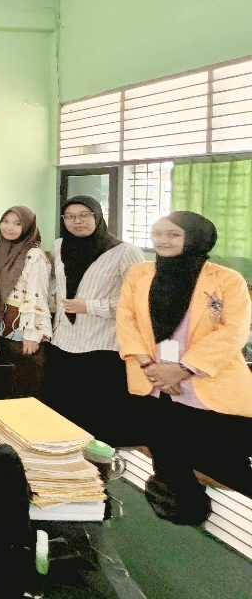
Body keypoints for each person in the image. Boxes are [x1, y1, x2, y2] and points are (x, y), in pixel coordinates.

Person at [117, 212, 252, 502]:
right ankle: (177, 518)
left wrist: (183, 369)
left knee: (226, 469)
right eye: (157, 234)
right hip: (155, 386)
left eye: (173, 234)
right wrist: (149, 366)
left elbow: (234, 331)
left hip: (209, 389)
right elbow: (126, 320)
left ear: (194, 238)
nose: (163, 240)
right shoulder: (139, 274)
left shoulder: (227, 279)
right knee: (167, 465)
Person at [44, 196, 144, 443]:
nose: (77, 221)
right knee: (63, 413)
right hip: (63, 342)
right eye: (70, 217)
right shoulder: (60, 245)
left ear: (97, 216)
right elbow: (57, 279)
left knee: (99, 418)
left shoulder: (124, 252)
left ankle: (101, 462)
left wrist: (90, 306)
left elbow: (137, 301)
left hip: (101, 347)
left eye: (84, 215)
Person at [0, 206, 51, 399]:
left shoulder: (34, 254)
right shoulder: (4, 249)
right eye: (5, 221)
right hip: (5, 325)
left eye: (17, 223)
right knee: (7, 380)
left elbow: (37, 295)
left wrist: (32, 335)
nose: (9, 227)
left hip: (24, 327)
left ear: (28, 227)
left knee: (24, 383)